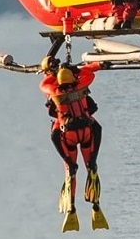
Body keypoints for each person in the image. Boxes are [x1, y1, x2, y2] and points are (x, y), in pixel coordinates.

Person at [39, 56, 108, 232]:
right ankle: (96, 206)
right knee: (92, 168)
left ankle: (71, 208)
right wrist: (76, 69)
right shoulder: (82, 84)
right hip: (87, 132)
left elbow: (44, 83)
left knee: (70, 174)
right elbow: (88, 72)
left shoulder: (54, 90)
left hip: (67, 135)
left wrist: (51, 71)